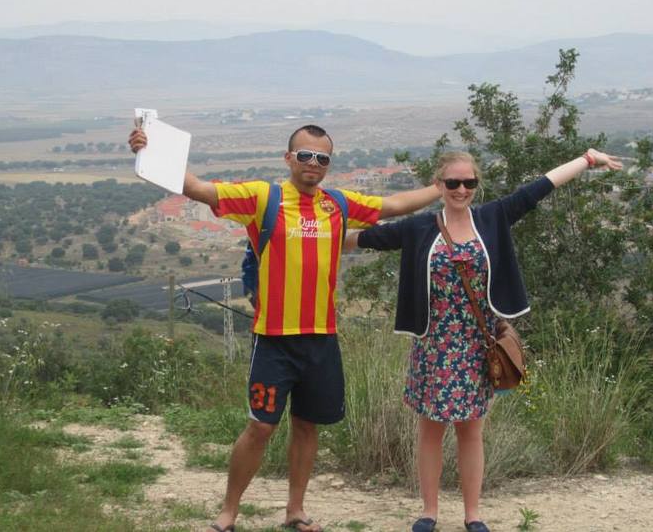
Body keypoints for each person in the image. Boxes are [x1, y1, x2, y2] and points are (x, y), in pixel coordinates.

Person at [129, 123, 441, 532]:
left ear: (329, 164)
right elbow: (199, 189)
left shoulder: (339, 203)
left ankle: (295, 511)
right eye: (305, 155)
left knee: (307, 424)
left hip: (321, 337)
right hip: (273, 337)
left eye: (322, 158)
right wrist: (149, 152)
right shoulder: (264, 197)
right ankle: (228, 512)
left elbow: (394, 205)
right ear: (289, 158)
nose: (313, 163)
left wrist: (441, 187)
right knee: (260, 427)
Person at [348, 148, 623, 532]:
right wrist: (297, 235)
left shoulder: (492, 218)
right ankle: (429, 512)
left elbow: (540, 187)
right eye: (453, 182)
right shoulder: (419, 228)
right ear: (438, 185)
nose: (461, 189)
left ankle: (473, 514)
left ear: (476, 184)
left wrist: (587, 160)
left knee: (471, 430)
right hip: (433, 345)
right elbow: (361, 240)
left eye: (469, 182)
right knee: (429, 430)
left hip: (477, 345)